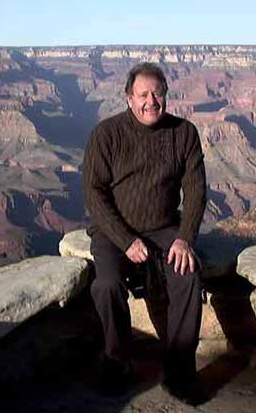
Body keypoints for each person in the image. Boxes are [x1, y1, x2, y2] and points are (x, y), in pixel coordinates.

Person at [83, 61, 207, 404]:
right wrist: (125, 240)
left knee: (189, 274)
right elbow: (94, 193)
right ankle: (117, 361)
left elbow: (196, 191)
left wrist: (185, 238)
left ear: (166, 95)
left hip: (165, 228)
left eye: (157, 93)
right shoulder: (106, 134)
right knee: (106, 285)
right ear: (128, 98)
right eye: (142, 95)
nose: (151, 101)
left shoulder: (184, 133)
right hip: (113, 231)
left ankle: (179, 372)